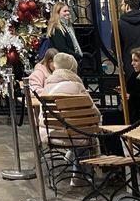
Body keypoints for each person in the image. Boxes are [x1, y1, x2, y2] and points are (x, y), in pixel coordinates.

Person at [40, 52, 100, 186]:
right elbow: (95, 113)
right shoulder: (77, 86)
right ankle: (80, 175)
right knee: (85, 128)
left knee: (74, 126)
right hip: (75, 136)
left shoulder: (47, 87)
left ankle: (72, 157)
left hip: (50, 134)